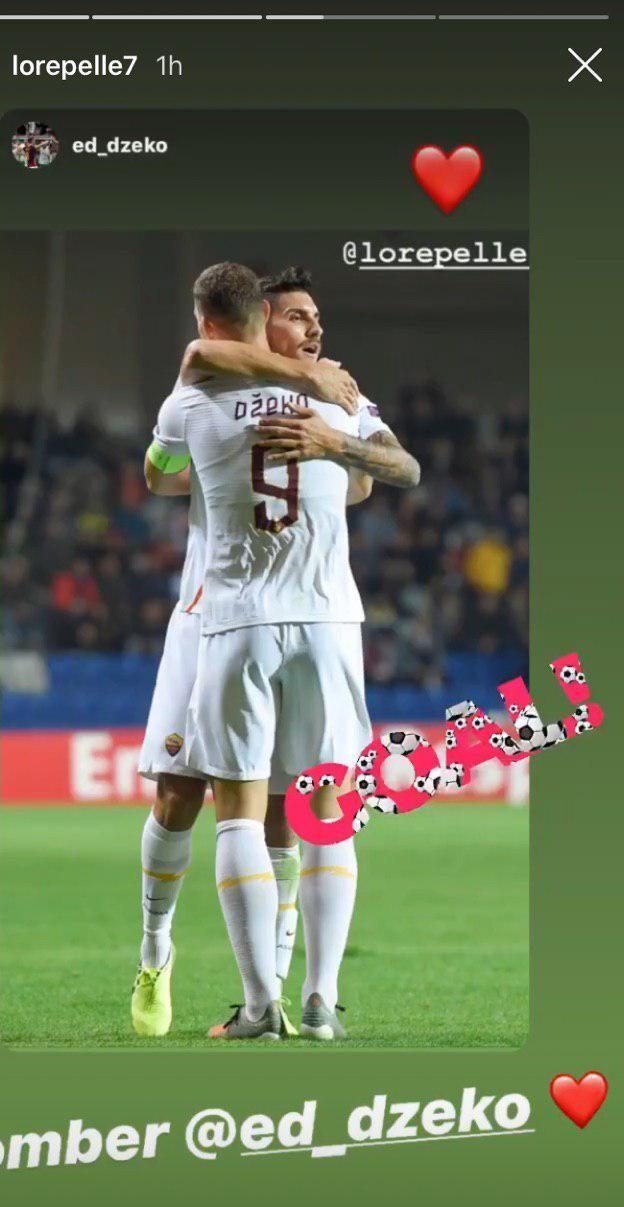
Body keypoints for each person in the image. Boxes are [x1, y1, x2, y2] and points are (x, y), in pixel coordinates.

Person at [140, 262, 418, 1041]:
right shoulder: (338, 395)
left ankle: (265, 1005)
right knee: (324, 812)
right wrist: (336, 439)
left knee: (240, 812)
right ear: (263, 321)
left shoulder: (194, 401)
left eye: (318, 318)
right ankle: (319, 999)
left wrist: (327, 442)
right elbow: (400, 470)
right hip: (326, 622)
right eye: (299, 316)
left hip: (239, 622)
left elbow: (160, 470)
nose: (315, 328)